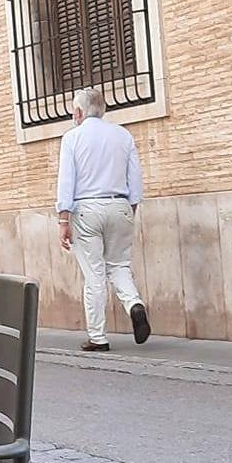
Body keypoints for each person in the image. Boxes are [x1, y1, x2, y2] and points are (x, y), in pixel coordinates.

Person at [56, 87, 150, 352]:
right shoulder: (123, 135)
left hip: (87, 208)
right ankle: (134, 304)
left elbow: (66, 181)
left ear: (78, 112)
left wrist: (63, 220)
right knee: (119, 265)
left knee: (94, 274)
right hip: (120, 204)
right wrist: (129, 210)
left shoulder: (72, 138)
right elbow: (135, 180)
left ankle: (98, 337)